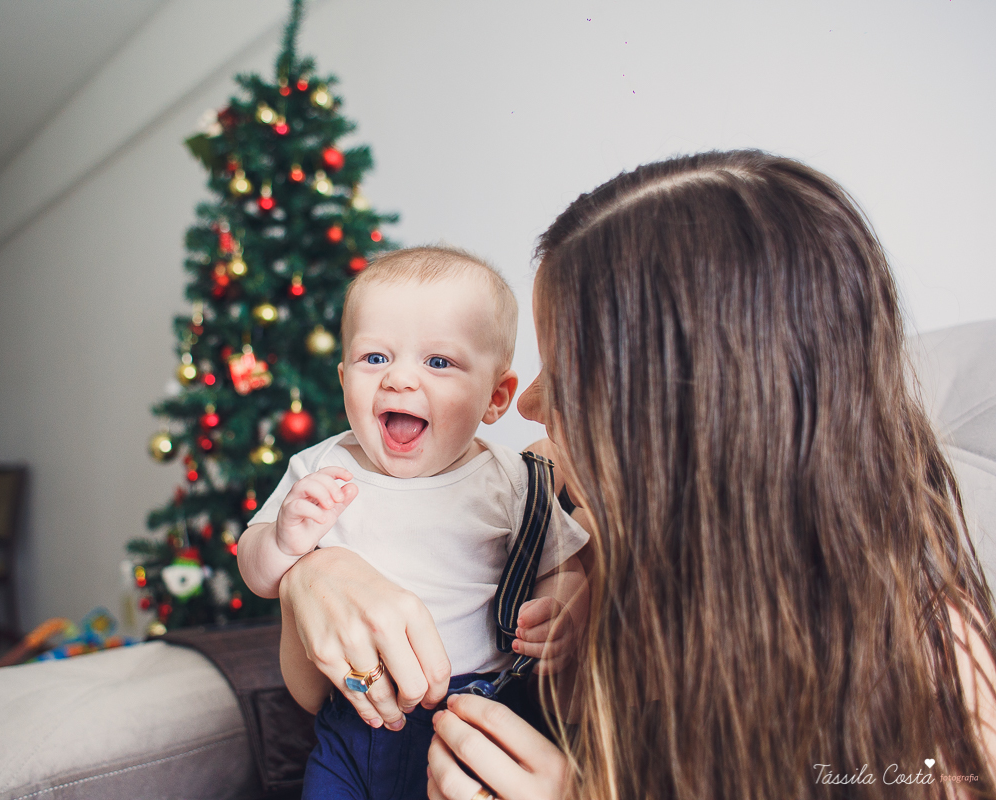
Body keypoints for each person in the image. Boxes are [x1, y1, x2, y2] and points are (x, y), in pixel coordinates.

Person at [277, 151, 996, 799]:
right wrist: (311, 574)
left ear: (684, 417)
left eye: (566, 379)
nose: (527, 404)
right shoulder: (569, 514)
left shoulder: (938, 672)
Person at [237, 246, 590, 799]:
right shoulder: (321, 467)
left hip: (476, 715)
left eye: (438, 362)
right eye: (375, 358)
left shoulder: (513, 480)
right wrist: (282, 543)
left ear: (496, 397)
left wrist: (560, 609)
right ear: (343, 376)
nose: (399, 380)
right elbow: (256, 568)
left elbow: (562, 565)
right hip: (351, 721)